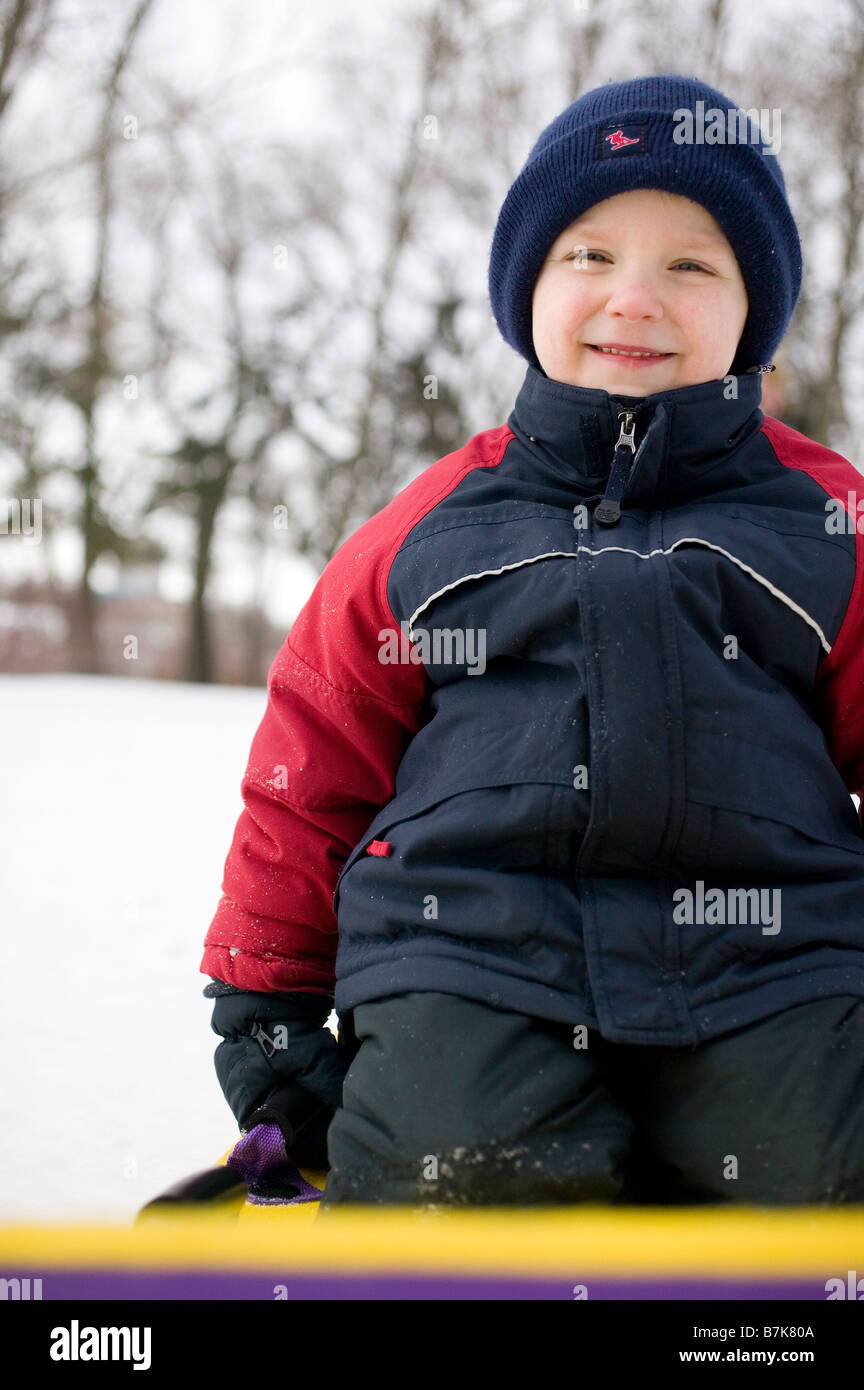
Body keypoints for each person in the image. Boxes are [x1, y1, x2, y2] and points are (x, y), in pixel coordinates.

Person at [202, 75, 864, 1207]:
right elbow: (312, 762)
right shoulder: (433, 523)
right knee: (455, 1174)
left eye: (691, 265)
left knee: (825, 1186)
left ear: (753, 306)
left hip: (777, 957)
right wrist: (265, 1003)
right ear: (529, 288)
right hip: (470, 950)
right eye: (590, 256)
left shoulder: (827, 521)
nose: (636, 298)